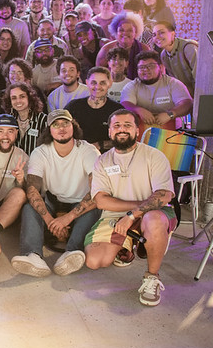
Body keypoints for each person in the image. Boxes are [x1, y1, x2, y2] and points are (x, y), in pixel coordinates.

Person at [85, 109, 176, 306]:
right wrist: (139, 208)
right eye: (117, 125)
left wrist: (133, 215)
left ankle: (152, 277)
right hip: (117, 215)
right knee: (94, 261)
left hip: (155, 214)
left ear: (137, 130)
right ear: (110, 131)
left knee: (153, 219)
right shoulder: (102, 161)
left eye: (127, 125)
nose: (122, 129)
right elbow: (101, 201)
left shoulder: (154, 156)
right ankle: (127, 246)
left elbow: (164, 195)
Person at [12, 109, 101, 277]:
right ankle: (33, 256)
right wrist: (50, 221)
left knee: (95, 207)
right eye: (56, 125)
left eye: (65, 123)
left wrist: (68, 218)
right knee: (29, 208)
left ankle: (71, 254)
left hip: (80, 202)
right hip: (54, 201)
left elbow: (97, 190)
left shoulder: (88, 150)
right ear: (49, 130)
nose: (61, 128)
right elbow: (32, 190)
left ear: (73, 126)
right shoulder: (41, 152)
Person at [120, 51, 193, 131]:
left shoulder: (173, 83)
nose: (146, 69)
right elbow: (125, 103)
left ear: (160, 67)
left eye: (150, 66)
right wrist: (138, 110)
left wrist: (170, 114)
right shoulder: (132, 86)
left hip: (173, 131)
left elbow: (187, 104)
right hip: (140, 131)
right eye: (141, 67)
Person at [65, 67, 124, 152]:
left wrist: (99, 145)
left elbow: (123, 138)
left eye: (102, 83)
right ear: (87, 83)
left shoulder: (118, 110)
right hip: (78, 154)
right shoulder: (73, 106)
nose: (98, 87)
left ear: (110, 84)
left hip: (107, 156)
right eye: (94, 83)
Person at [96, 12, 151, 77]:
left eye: (130, 30)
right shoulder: (106, 49)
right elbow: (98, 74)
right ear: (116, 32)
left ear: (135, 32)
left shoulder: (144, 49)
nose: (125, 33)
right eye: (121, 30)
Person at [152, 21, 196, 96]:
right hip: (186, 96)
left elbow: (200, 78)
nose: (157, 37)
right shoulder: (164, 55)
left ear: (172, 34)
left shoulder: (188, 48)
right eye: (154, 35)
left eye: (161, 33)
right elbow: (175, 82)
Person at [2, 82, 47, 156]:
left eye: (22, 96)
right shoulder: (8, 121)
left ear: (29, 98)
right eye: (14, 98)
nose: (18, 101)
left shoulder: (43, 120)